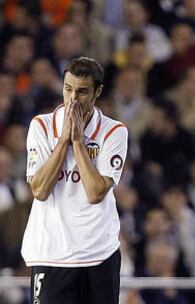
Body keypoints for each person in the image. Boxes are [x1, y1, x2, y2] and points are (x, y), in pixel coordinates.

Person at [21, 57, 128, 304]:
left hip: (99, 253)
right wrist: (63, 142)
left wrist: (78, 142)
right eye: (68, 89)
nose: (72, 99)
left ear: (97, 93)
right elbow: (39, 189)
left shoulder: (114, 132)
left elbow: (95, 193)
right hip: (52, 253)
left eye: (81, 92)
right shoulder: (42, 127)